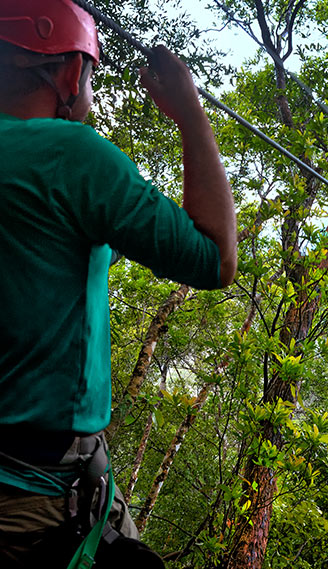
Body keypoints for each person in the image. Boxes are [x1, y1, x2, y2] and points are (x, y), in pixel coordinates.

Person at [0, 1, 237, 567]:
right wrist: (188, 111)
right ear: (67, 74)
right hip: (41, 498)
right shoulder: (70, 156)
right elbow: (214, 258)